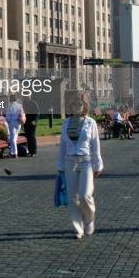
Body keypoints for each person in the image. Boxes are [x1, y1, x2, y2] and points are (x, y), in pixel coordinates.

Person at [57, 92, 104, 239]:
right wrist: (60, 166)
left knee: (85, 195)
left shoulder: (90, 122)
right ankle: (78, 227)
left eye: (80, 104)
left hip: (86, 162)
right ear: (70, 106)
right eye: (74, 104)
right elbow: (63, 146)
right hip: (70, 161)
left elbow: (95, 145)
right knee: (72, 198)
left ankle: (89, 219)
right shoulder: (66, 123)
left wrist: (98, 165)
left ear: (84, 106)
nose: (77, 106)